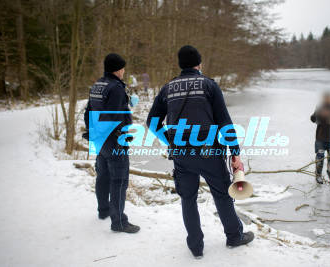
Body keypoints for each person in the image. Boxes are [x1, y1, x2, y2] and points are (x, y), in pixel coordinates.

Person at [146, 45, 254, 259]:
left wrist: (170, 140)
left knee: (188, 198)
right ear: (199, 64)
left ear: (180, 65)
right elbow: (224, 122)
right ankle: (234, 237)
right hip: (209, 153)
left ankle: (196, 247)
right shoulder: (209, 85)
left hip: (181, 155)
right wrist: (235, 152)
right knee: (222, 195)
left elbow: (152, 121)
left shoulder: (167, 88)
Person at [84, 53, 140, 233]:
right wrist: (120, 136)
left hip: (99, 139)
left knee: (103, 175)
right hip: (113, 140)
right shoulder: (116, 87)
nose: (124, 71)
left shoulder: (97, 85)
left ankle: (104, 210)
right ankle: (119, 222)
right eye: (122, 68)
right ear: (118, 69)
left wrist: (92, 132)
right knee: (119, 179)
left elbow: (88, 112)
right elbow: (117, 115)